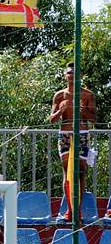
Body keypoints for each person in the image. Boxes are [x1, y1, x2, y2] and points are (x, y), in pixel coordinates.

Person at [50, 63, 98, 209]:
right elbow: (52, 120)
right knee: (67, 171)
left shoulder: (88, 95)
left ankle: (78, 209)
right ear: (65, 75)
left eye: (75, 74)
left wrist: (84, 112)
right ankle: (70, 209)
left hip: (81, 134)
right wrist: (60, 111)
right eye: (69, 73)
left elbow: (94, 120)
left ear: (81, 77)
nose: (72, 76)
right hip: (64, 134)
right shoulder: (59, 95)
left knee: (81, 172)